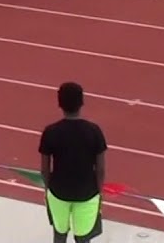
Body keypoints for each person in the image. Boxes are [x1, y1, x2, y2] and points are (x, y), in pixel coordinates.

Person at [40, 82, 107, 243]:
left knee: (59, 234)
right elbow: (101, 169)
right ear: (82, 102)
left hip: (58, 192)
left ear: (59, 103)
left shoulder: (50, 132)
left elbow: (44, 169)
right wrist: (99, 192)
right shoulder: (94, 131)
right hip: (87, 193)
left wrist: (49, 190)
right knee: (83, 238)